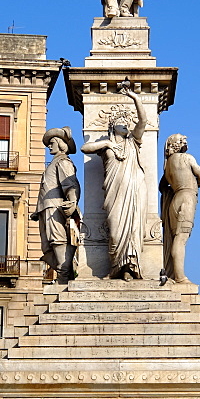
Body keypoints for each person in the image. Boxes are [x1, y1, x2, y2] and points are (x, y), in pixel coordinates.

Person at [81, 86, 147, 279]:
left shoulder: (133, 141)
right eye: (121, 121)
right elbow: (86, 148)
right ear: (112, 126)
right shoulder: (106, 146)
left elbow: (143, 120)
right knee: (116, 233)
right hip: (115, 194)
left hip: (135, 191)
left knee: (133, 231)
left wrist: (135, 97)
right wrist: (108, 143)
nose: (126, 123)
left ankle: (129, 268)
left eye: (127, 121)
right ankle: (116, 267)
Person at [30, 127, 81, 284]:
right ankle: (63, 270)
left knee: (58, 240)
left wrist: (72, 202)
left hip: (55, 207)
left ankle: (64, 275)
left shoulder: (63, 162)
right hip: (45, 209)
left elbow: (70, 183)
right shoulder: (54, 162)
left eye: (52, 142)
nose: (49, 146)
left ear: (60, 144)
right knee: (47, 247)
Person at [159, 134, 200, 283]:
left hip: (174, 200)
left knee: (175, 238)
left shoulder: (167, 166)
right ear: (177, 144)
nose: (185, 143)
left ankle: (174, 273)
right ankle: (180, 277)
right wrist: (192, 183)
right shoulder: (187, 158)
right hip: (187, 197)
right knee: (181, 238)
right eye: (183, 140)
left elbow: (162, 187)